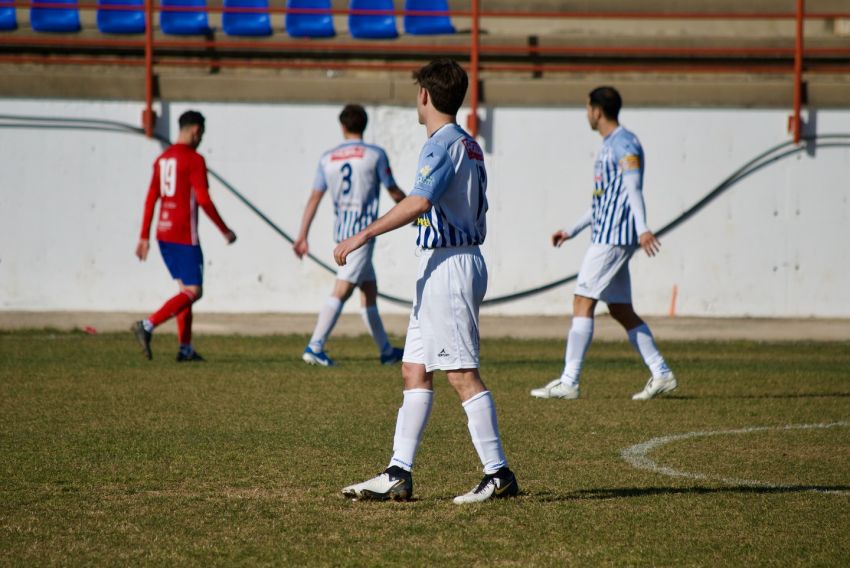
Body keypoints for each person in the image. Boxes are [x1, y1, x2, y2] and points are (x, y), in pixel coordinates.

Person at [333, 59, 519, 504]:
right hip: (450, 262)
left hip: (449, 265)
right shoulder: (470, 146)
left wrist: (362, 234)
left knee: (460, 372)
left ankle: (499, 473)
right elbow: (480, 206)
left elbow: (418, 201)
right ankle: (399, 471)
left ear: (425, 96)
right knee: (414, 368)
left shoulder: (440, 144)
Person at [530, 86, 676, 401]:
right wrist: (572, 230)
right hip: (607, 235)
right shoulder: (610, 145)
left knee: (582, 300)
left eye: (587, 108)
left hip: (613, 239)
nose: (586, 114)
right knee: (621, 310)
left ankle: (569, 381)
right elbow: (603, 200)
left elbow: (633, 188)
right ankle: (661, 372)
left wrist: (643, 228)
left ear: (597, 110)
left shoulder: (624, 143)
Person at [293, 104, 406, 367]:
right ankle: (315, 346)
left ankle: (386, 351)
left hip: (342, 233)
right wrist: (415, 210)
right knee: (342, 290)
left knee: (369, 291)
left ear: (342, 126)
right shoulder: (375, 155)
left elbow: (314, 198)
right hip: (362, 236)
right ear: (364, 125)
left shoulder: (327, 158)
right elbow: (393, 191)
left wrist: (302, 235)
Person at [132, 110, 237, 362]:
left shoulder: (163, 159)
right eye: (202, 134)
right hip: (183, 233)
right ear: (196, 131)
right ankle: (147, 325)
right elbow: (203, 200)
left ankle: (185, 348)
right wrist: (225, 230)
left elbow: (151, 198)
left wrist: (144, 236)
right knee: (194, 290)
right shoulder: (194, 159)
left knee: (183, 291)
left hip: (163, 233)